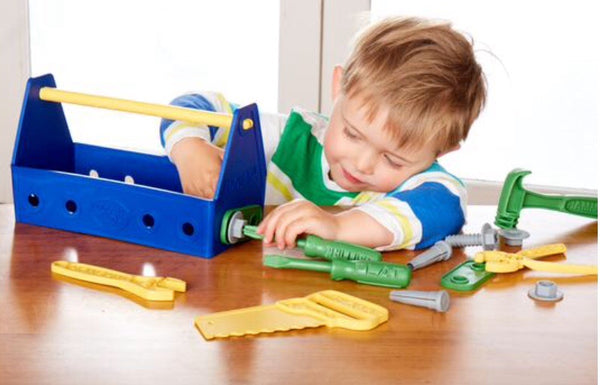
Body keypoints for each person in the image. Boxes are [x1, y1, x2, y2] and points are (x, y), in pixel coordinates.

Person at [159, 16, 486, 251]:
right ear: (338, 87)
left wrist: (338, 226)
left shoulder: (426, 186)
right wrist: (190, 150)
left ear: (439, 152)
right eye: (353, 134)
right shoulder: (291, 137)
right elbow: (192, 106)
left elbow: (445, 211)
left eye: (393, 159)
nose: (362, 164)